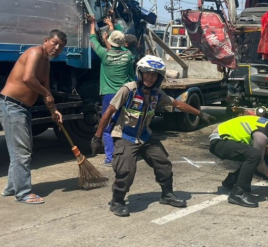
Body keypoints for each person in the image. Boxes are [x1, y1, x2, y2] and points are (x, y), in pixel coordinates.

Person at [90, 55, 216, 217]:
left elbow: (177, 104)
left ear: (159, 77)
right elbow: (108, 113)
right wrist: (97, 137)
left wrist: (200, 113)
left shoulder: (157, 93)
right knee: (126, 170)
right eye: (147, 73)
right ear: (140, 73)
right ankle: (117, 201)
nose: (150, 77)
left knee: (163, 162)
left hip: (144, 136)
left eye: (154, 74)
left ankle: (167, 194)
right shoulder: (128, 90)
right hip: (125, 136)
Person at [0, 30, 66, 205]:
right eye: (54, 43)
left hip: (21, 108)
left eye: (61, 47)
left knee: (20, 150)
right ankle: (23, 192)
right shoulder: (34, 52)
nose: (57, 48)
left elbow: (45, 91)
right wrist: (46, 92)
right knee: (22, 151)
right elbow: (28, 79)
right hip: (10, 105)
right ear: (46, 40)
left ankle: (12, 187)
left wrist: (53, 111)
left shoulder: (46, 63)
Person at [208, 115, 268, 208]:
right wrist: (267, 171)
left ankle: (231, 181)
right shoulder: (262, 136)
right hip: (219, 142)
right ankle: (239, 193)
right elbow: (259, 162)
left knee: (253, 157)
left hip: (225, 141)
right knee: (254, 156)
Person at [88, 14, 135, 166]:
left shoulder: (104, 55)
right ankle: (127, 153)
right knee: (125, 125)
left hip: (109, 95)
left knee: (107, 128)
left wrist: (92, 23)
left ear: (109, 42)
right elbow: (119, 45)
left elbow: (92, 40)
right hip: (125, 94)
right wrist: (112, 26)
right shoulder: (128, 56)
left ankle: (110, 158)